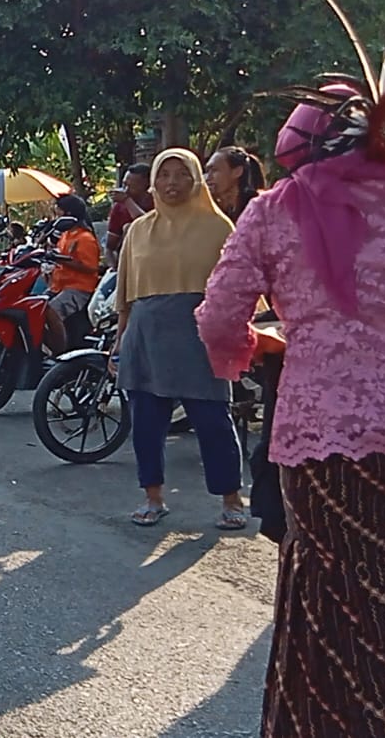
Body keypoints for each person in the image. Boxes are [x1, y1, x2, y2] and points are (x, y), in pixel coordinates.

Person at [195, 50, 385, 736]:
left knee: (333, 602)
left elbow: (216, 318)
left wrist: (249, 352)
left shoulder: (273, 211)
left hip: (323, 445)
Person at [109, 148, 244, 529]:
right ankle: (153, 498)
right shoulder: (139, 230)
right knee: (147, 423)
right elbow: (126, 291)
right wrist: (120, 340)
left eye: (181, 174)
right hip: (146, 335)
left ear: (195, 179)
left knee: (213, 421)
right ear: (153, 182)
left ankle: (231, 500)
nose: (172, 183)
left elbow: (238, 286)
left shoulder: (219, 228)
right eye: (164, 174)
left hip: (201, 336)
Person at [41, 193, 101, 356]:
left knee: (51, 311)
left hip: (78, 288)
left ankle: (58, 350)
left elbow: (90, 267)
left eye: (58, 211)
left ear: (68, 214)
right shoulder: (65, 235)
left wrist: (62, 260)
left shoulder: (85, 238)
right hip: (58, 286)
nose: (56, 215)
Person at [202, 145, 265, 223]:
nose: (207, 177)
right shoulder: (217, 207)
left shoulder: (259, 207)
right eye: (207, 171)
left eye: (214, 170)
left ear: (237, 172)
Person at [105, 163, 152, 260]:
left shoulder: (158, 203)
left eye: (131, 186)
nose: (125, 190)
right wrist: (115, 267)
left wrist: (127, 201)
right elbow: (110, 247)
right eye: (124, 184)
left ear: (146, 185)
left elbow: (146, 225)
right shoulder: (119, 207)